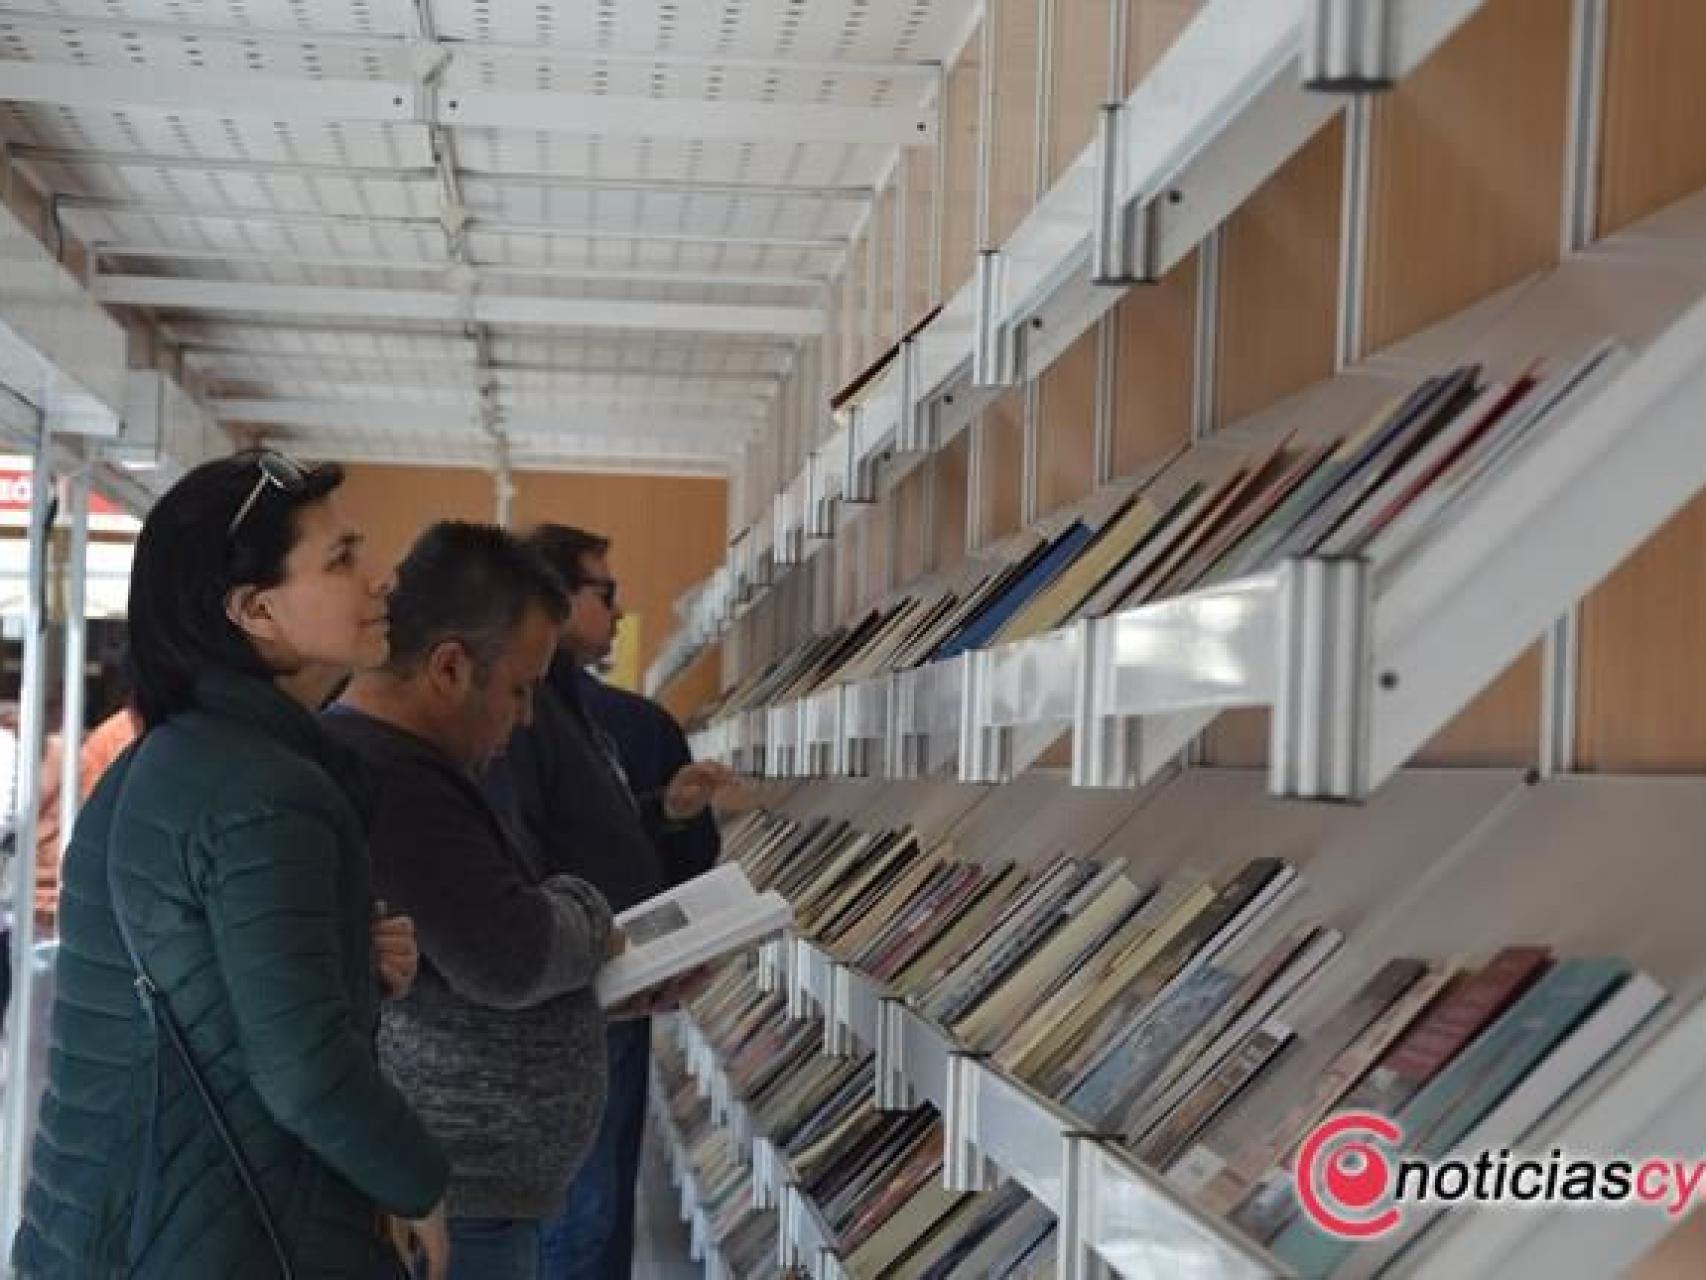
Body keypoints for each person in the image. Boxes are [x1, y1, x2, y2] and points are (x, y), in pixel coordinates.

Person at [11, 450, 451, 1279]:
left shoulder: (172, 760)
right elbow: (304, 1070)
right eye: (342, 559)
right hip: (212, 1238)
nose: (380, 579)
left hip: (113, 1227)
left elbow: (201, 977)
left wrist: (342, 962)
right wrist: (419, 1184)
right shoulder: (265, 792)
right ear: (254, 610)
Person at [326, 521, 618, 1280]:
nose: (525, 718)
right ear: (450, 668)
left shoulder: (405, 768)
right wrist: (586, 907)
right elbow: (508, 955)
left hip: (468, 1195)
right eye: (520, 690)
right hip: (454, 1204)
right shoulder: (396, 782)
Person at [485, 524, 734, 1280]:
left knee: (591, 1210)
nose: (621, 611)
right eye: (606, 592)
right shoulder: (530, 722)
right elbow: (527, 863)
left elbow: (614, 849)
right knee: (579, 1216)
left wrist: (668, 815)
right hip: (572, 1000)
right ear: (554, 602)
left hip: (603, 994)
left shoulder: (596, 720)